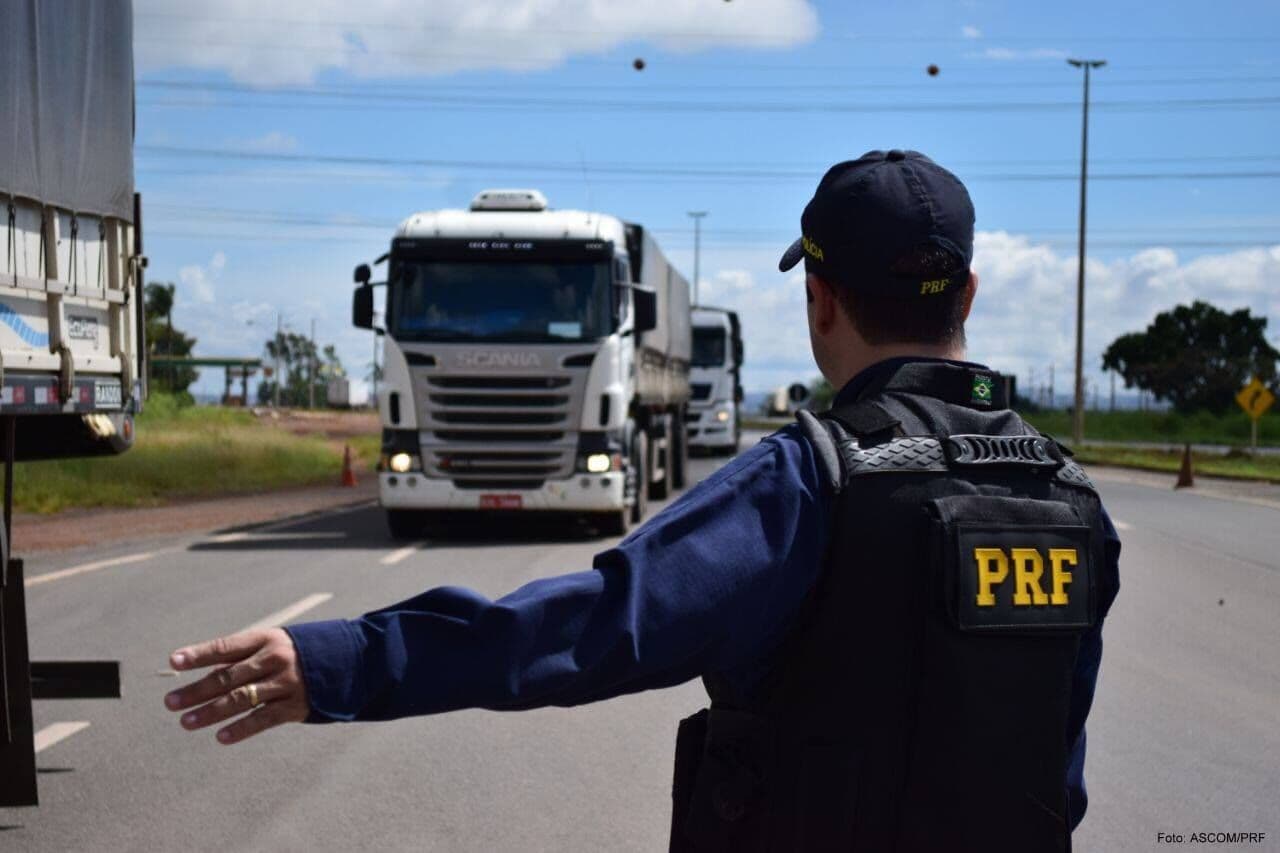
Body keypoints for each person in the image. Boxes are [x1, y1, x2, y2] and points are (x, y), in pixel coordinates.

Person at [165, 150, 1120, 851]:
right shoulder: (1071, 498)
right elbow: (1054, 764)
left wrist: (345, 661)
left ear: (819, 300)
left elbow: (593, 628)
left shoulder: (812, 480)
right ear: (971, 293)